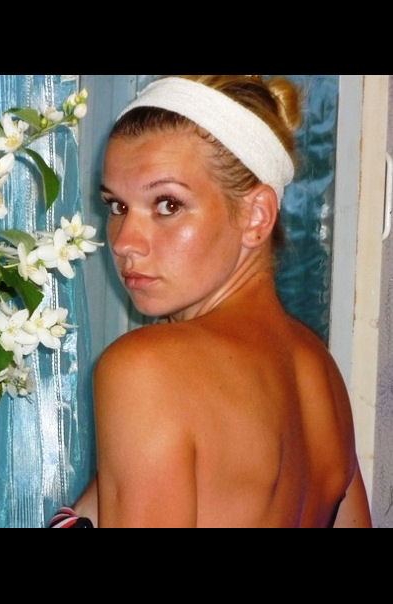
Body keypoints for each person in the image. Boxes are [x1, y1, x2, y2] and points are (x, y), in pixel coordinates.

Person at [50, 75, 372, 528]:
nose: (124, 242)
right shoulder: (321, 373)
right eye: (117, 206)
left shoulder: (148, 369)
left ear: (256, 216)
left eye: (167, 205)